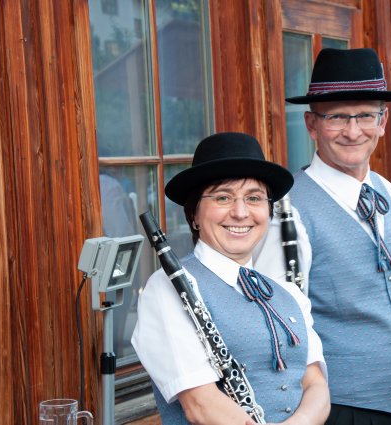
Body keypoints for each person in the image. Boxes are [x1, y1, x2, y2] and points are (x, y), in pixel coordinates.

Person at [254, 48, 391, 425]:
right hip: (344, 411)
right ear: (311, 125)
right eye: (336, 117)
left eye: (365, 115)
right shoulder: (287, 210)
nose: (352, 131)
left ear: (383, 121)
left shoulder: (387, 192)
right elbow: (280, 330)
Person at [131, 132, 330, 425]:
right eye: (223, 197)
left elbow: (316, 385)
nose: (240, 212)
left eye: (254, 198)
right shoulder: (167, 288)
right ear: (195, 214)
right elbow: (201, 405)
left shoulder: (288, 292)